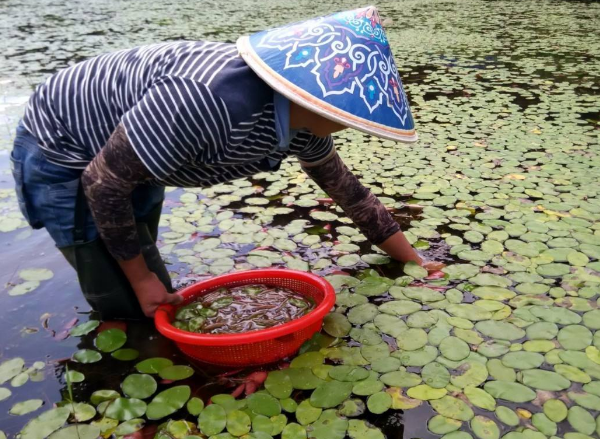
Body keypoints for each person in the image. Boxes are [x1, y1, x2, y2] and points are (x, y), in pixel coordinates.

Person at [11, 6, 442, 319]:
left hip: (137, 150)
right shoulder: (205, 101)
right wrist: (141, 280)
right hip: (65, 145)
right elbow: (103, 185)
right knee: (123, 293)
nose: (357, 122)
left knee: (143, 258)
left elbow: (349, 193)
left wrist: (414, 261)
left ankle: (145, 307)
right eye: (353, 111)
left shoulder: (303, 123)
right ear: (320, 100)